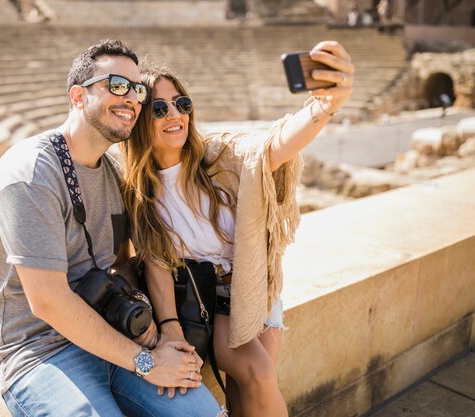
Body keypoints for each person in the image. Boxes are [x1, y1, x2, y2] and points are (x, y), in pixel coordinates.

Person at [0, 39, 226, 417]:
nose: (131, 98)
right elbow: (48, 301)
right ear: (78, 96)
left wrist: (159, 330)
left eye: (137, 89)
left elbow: (132, 262)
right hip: (42, 353)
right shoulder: (32, 175)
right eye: (116, 85)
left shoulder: (112, 172)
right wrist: (146, 362)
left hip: (114, 335)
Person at [121, 41, 354, 417]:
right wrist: (170, 328)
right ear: (140, 120)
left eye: (182, 104)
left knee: (247, 395)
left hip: (253, 289)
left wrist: (324, 106)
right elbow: (155, 262)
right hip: (207, 302)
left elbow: (271, 148)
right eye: (158, 109)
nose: (174, 115)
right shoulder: (138, 191)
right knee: (259, 373)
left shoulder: (220, 157)